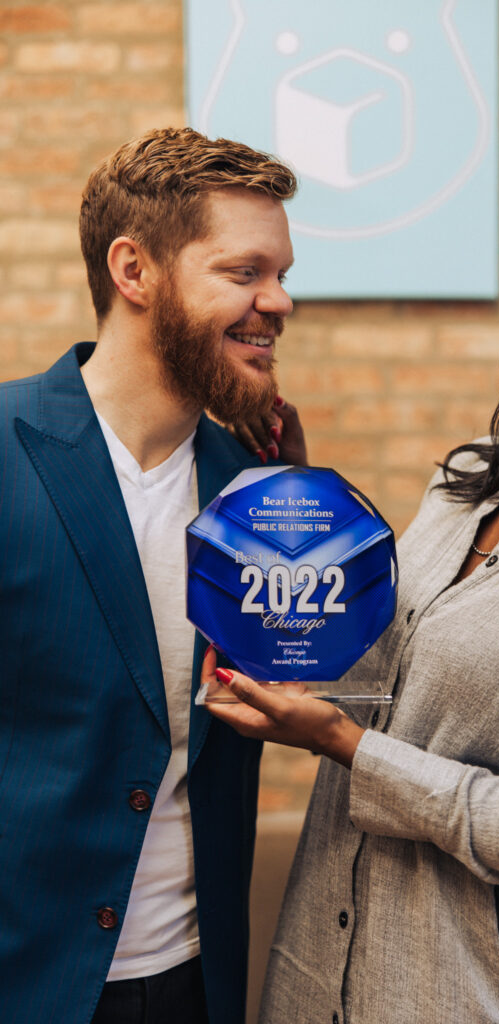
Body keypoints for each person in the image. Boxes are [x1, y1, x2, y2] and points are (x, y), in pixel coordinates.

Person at [205, 216, 499, 1024]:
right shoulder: (468, 480)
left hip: (458, 998)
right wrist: (299, 497)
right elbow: (386, 670)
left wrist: (344, 747)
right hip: (313, 977)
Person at [0, 126, 304, 1024]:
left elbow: (307, 688)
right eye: (245, 272)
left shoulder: (259, 492)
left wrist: (301, 517)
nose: (279, 301)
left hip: (192, 984)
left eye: (283, 273)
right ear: (135, 271)